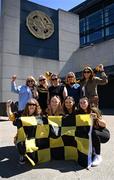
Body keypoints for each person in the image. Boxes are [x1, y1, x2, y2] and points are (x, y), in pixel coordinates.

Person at [6, 98, 41, 164]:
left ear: (36, 106)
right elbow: (11, 117)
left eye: (34, 104)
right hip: (21, 137)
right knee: (21, 143)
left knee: (34, 157)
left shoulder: (38, 116)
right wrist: (8, 106)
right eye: (29, 104)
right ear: (27, 105)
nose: (31, 106)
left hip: (33, 137)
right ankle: (22, 155)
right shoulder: (21, 113)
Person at [77, 97, 110, 167]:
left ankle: (98, 155)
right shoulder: (78, 112)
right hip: (89, 133)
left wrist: (97, 119)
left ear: (88, 103)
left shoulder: (94, 110)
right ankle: (92, 150)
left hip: (101, 132)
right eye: (81, 103)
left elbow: (104, 124)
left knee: (93, 132)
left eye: (84, 102)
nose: (82, 104)